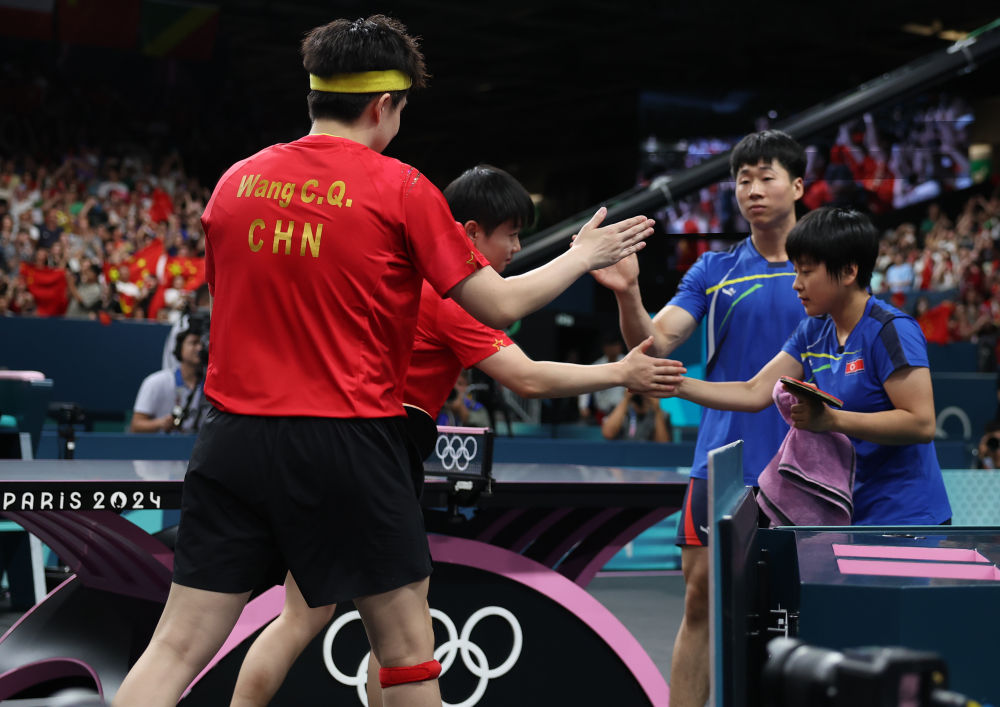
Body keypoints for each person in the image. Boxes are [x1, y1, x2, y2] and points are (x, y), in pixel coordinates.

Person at [112, 16, 657, 707]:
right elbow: (499, 305)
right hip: (348, 440)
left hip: (232, 438)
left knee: (176, 645)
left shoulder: (235, 183)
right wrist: (583, 255)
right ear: (383, 105)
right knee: (406, 652)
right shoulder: (401, 188)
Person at [228, 162, 682, 707]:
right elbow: (528, 377)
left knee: (309, 615)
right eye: (511, 233)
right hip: (377, 458)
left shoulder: (403, 277)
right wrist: (620, 373)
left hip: (321, 445)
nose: (517, 246)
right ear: (469, 233)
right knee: (405, 627)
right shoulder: (451, 297)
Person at [592, 129, 809, 707]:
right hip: (725, 463)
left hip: (812, 466)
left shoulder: (825, 269)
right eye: (743, 180)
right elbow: (654, 343)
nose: (752, 190)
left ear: (798, 186)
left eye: (766, 177)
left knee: (807, 603)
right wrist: (628, 294)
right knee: (701, 602)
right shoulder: (715, 269)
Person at [668, 206, 951, 526]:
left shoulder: (891, 330)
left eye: (806, 272)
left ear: (849, 272)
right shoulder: (813, 331)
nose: (796, 284)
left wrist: (831, 419)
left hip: (907, 518)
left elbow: (921, 423)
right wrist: (674, 384)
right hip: (848, 514)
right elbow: (754, 391)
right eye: (795, 271)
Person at [129, 327, 206, 434]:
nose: (199, 348)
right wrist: (160, 423)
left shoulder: (214, 385)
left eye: (203, 344)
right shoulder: (156, 382)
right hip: (163, 442)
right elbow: (135, 426)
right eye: (194, 343)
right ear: (180, 348)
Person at [578, 335, 626, 423]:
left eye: (614, 345)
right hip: (602, 412)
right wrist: (583, 406)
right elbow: (585, 383)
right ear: (604, 348)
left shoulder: (628, 364)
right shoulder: (597, 365)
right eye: (609, 345)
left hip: (623, 412)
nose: (612, 349)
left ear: (620, 347)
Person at [601, 392, 672, 441]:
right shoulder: (618, 410)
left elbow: (663, 444)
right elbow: (608, 434)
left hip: (650, 455)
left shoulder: (663, 415)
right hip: (622, 454)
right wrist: (626, 399)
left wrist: (657, 409)